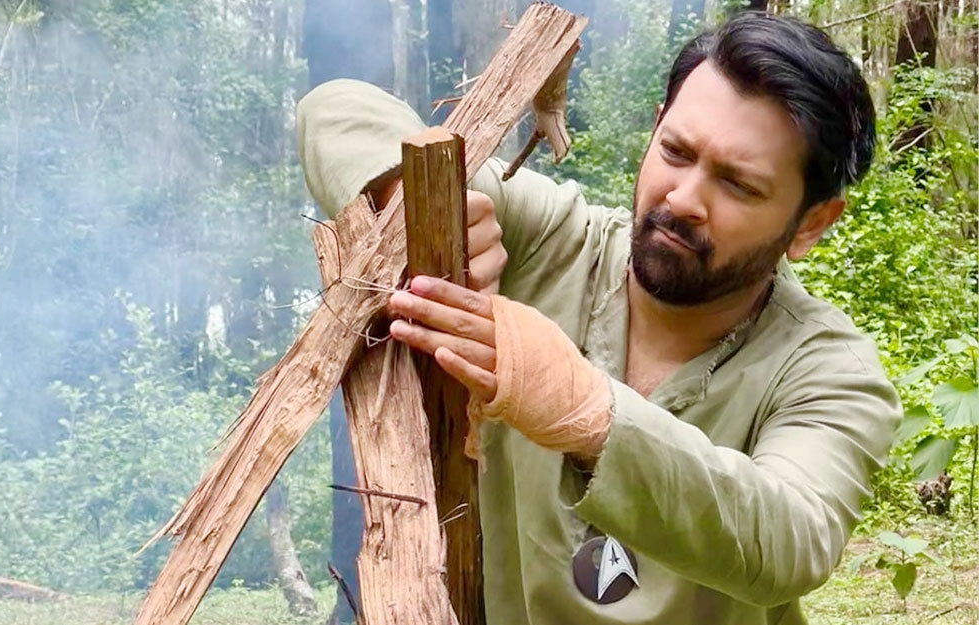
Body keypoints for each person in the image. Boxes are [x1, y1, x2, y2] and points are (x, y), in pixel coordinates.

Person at [297, 11, 899, 625]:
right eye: (676, 151)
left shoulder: (828, 372)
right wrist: (421, 209)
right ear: (655, 129)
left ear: (811, 223)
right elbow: (339, 112)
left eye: (739, 185)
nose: (684, 198)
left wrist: (582, 408)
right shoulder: (553, 241)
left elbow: (789, 541)